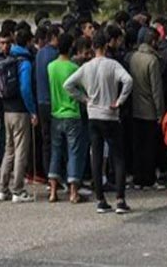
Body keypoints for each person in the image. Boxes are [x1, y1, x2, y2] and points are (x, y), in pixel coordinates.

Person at [64, 30, 134, 214]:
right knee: (118, 157)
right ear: (106, 45)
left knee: (96, 155)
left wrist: (84, 98)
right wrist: (119, 101)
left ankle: (100, 199)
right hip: (110, 114)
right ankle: (120, 199)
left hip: (93, 114)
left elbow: (68, 84)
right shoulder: (112, 65)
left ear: (93, 47)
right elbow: (128, 80)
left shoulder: (86, 67)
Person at [0, 29, 37, 203]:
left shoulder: (8, 58)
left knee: (9, 149)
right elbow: (25, 88)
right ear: (28, 42)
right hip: (20, 111)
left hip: (7, 109)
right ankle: (18, 189)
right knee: (21, 151)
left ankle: (2, 188)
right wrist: (32, 110)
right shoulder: (24, 61)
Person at [47, 33, 89, 203]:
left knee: (56, 151)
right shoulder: (74, 68)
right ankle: (73, 192)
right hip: (72, 113)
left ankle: (53, 191)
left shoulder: (51, 67)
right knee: (74, 152)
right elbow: (81, 89)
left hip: (56, 112)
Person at [128, 27, 165, 190]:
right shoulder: (153, 60)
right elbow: (156, 90)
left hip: (135, 107)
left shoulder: (133, 57)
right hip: (149, 109)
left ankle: (138, 177)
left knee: (137, 145)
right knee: (150, 146)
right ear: (153, 41)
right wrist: (160, 112)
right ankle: (149, 178)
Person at [35, 25, 60, 180]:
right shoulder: (56, 55)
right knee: (55, 140)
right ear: (54, 37)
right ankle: (55, 173)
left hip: (41, 101)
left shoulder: (39, 53)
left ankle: (47, 174)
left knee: (46, 140)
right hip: (53, 101)